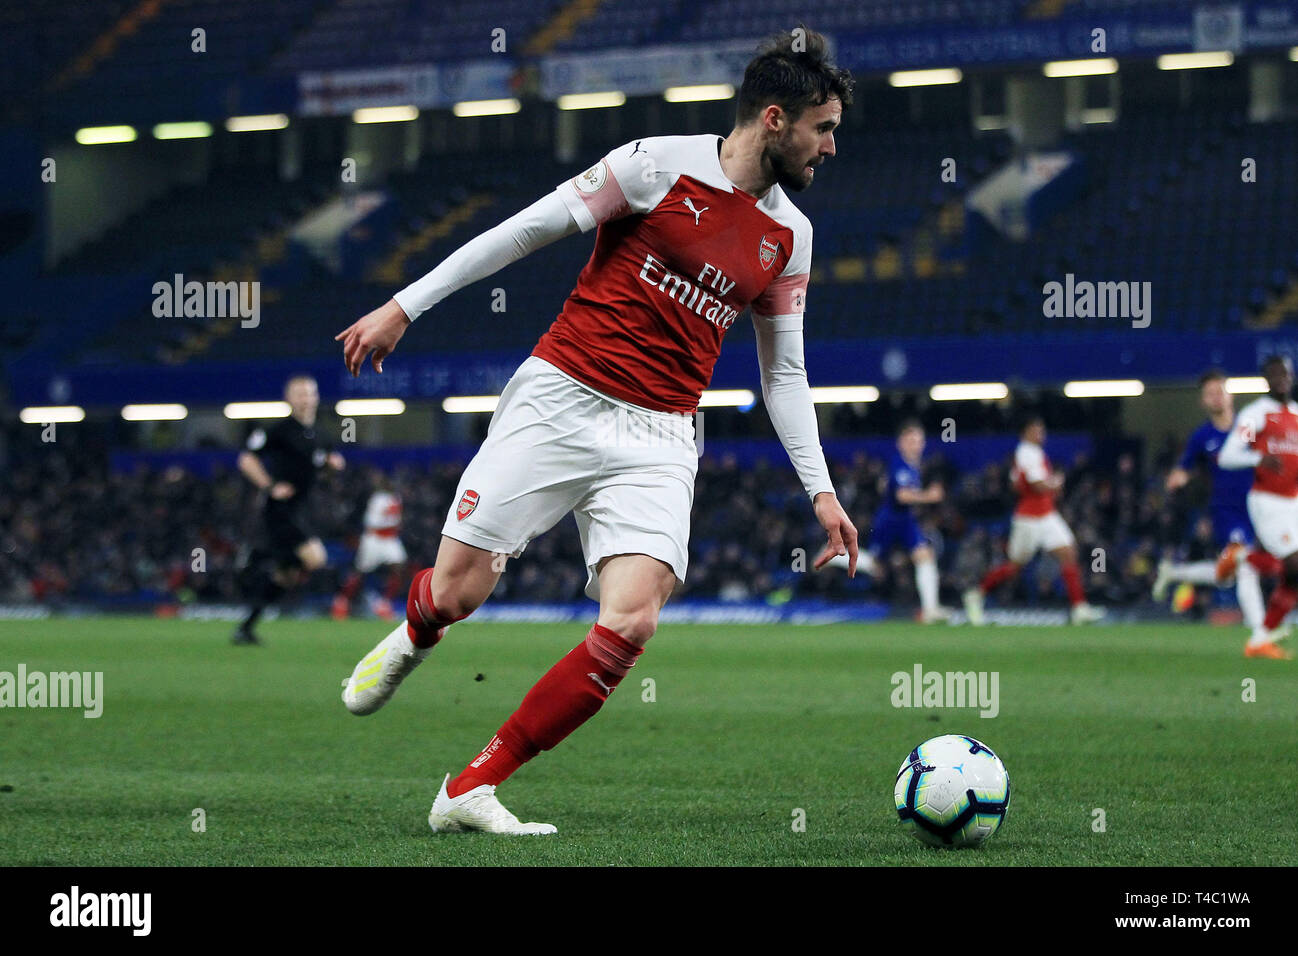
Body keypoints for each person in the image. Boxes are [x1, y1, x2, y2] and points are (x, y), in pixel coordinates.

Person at [334, 29, 859, 834]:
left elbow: (782, 374)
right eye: (823, 128)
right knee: (461, 590)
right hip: (563, 396)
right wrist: (405, 306)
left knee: (634, 618)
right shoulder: (654, 164)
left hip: (662, 433)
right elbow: (521, 232)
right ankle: (416, 629)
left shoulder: (792, 238)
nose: (831, 146)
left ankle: (472, 786)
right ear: (775, 119)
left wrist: (821, 495)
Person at [1152, 369, 1280, 646]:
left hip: (1259, 507)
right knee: (1245, 565)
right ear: (1203, 402)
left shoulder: (1250, 427)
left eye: (1219, 391)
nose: (1216, 397)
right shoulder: (1202, 437)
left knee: (1226, 575)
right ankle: (1259, 632)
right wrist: (1178, 477)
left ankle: (1174, 573)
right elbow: (1184, 468)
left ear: (1230, 394)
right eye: (1209, 394)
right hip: (1226, 510)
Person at [232, 375, 344, 645]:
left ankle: (245, 628)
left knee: (286, 575)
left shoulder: (320, 433)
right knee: (315, 558)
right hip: (281, 510)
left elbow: (327, 462)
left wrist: (333, 465)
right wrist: (270, 486)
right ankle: (255, 557)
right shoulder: (279, 431)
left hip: (303, 509)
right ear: (289, 398)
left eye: (309, 394)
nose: (306, 399)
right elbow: (246, 459)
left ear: (316, 397)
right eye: (300, 394)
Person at [962, 416, 1104, 626]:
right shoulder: (1026, 453)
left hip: (1046, 514)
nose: (1041, 434)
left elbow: (1015, 483)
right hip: (1029, 518)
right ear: (1025, 433)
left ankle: (1079, 608)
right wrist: (1055, 484)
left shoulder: (1030, 453)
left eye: (1042, 430)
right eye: (1036, 430)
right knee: (1014, 567)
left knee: (1069, 553)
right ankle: (976, 594)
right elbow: (1037, 484)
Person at [1216, 355, 1298, 659]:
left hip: (1294, 500)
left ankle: (1260, 640)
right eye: (1274, 374)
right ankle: (1243, 558)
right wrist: (1257, 458)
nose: (1281, 379)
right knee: (1295, 565)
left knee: (1292, 574)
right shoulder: (1257, 416)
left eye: (1285, 373)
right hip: (1267, 500)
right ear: (1266, 379)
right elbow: (1227, 456)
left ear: (1291, 376)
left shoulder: (1297, 415)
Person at [827, 420, 951, 621]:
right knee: (877, 567)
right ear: (901, 442)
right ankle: (837, 555)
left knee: (924, 556)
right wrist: (930, 495)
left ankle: (930, 610)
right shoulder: (899, 464)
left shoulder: (913, 466)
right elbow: (902, 496)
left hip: (906, 520)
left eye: (919, 441)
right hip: (890, 521)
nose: (916, 445)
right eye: (911, 440)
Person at [332, 471, 407, 620]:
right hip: (375, 538)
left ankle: (384, 603)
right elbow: (372, 521)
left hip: (390, 539)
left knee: (399, 567)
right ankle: (342, 601)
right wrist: (391, 524)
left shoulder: (395, 498)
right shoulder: (377, 499)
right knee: (360, 572)